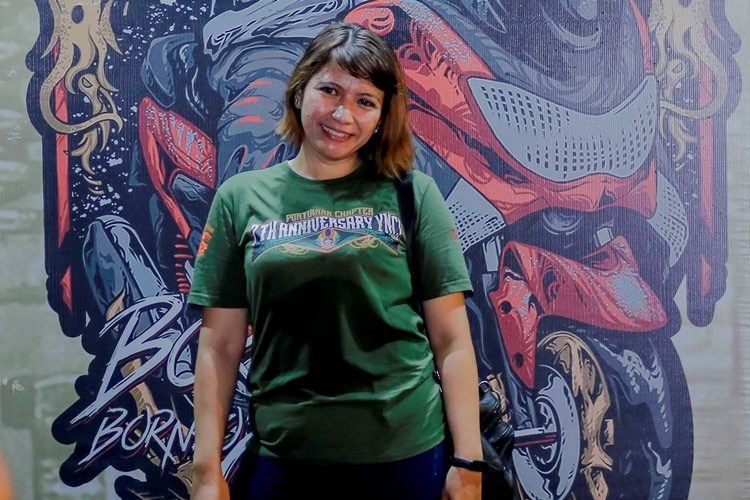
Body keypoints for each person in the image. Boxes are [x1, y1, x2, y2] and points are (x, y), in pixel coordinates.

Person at [188, 22, 482, 500]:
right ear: (299, 90)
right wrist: (206, 470)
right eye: (329, 91)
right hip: (283, 460)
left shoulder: (412, 195)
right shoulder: (240, 198)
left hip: (406, 458)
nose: (343, 114)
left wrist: (468, 462)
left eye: (365, 101)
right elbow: (218, 347)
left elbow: (452, 343)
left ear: (382, 116)